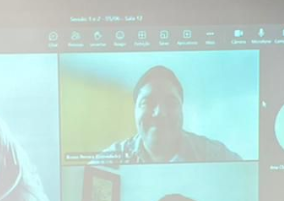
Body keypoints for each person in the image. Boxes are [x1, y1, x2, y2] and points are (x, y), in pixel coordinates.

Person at [99, 65, 241, 163]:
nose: (160, 113)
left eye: (171, 103)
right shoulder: (112, 158)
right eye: (147, 102)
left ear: (182, 109)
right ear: (135, 110)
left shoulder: (213, 154)